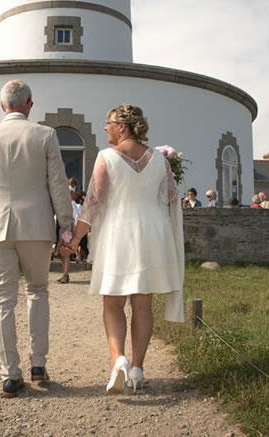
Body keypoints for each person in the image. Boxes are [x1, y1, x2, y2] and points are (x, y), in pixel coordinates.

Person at [63, 104, 184, 395]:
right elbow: (169, 195)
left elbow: (93, 203)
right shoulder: (160, 159)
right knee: (143, 304)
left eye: (108, 123)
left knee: (113, 303)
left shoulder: (106, 158)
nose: (105, 128)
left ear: (122, 126)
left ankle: (118, 359)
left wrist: (75, 239)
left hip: (118, 232)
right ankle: (138, 369)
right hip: (152, 233)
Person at [0, 79, 74, 398]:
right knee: (38, 291)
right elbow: (58, 185)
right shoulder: (45, 135)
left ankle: (9, 374)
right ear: (29, 105)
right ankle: (38, 363)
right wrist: (65, 229)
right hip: (36, 226)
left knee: (2, 299)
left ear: (2, 106)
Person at [58, 177, 84, 284]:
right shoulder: (74, 199)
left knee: (64, 251)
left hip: (67, 228)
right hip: (70, 228)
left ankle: (65, 275)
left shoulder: (69, 200)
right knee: (64, 251)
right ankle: (65, 274)